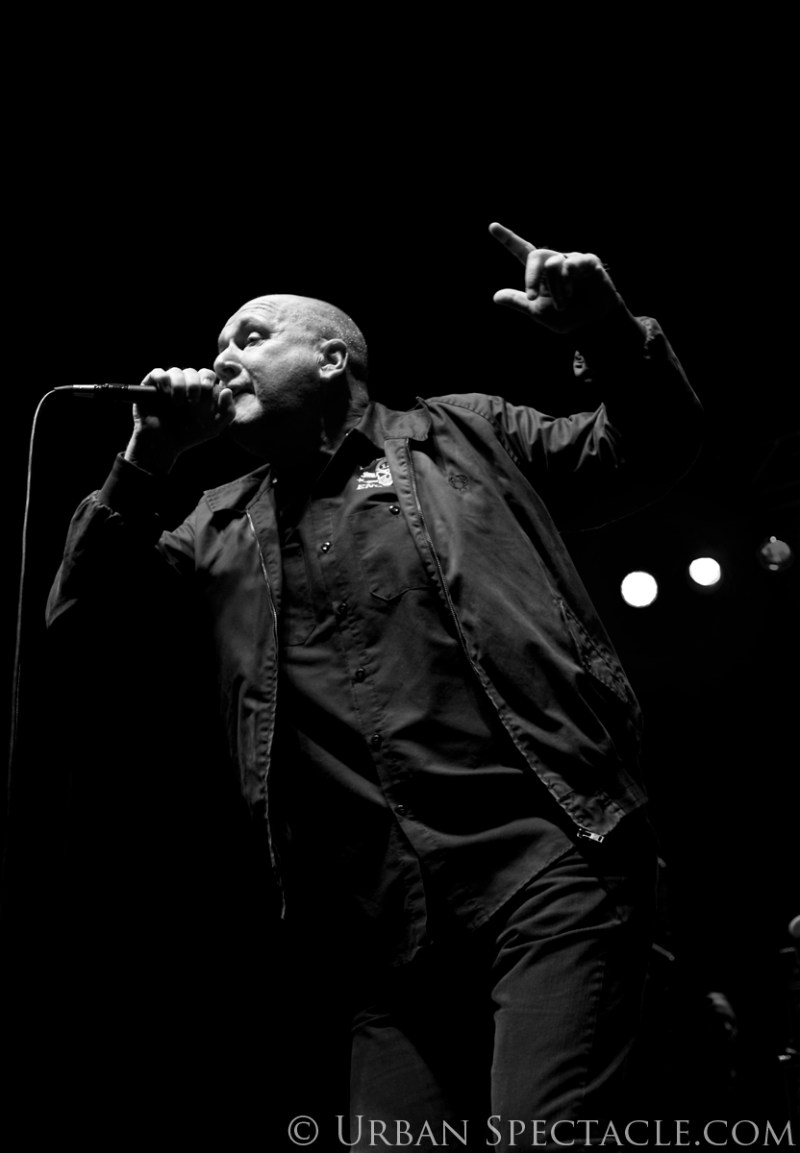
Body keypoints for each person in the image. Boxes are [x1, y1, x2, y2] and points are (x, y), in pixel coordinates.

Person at [46, 222, 703, 1150]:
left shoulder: (464, 434)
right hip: (387, 927)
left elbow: (652, 445)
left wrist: (607, 331)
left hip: (551, 862)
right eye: (218, 345)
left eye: (250, 337)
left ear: (332, 358)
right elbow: (83, 623)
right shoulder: (214, 525)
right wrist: (145, 459)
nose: (221, 359)